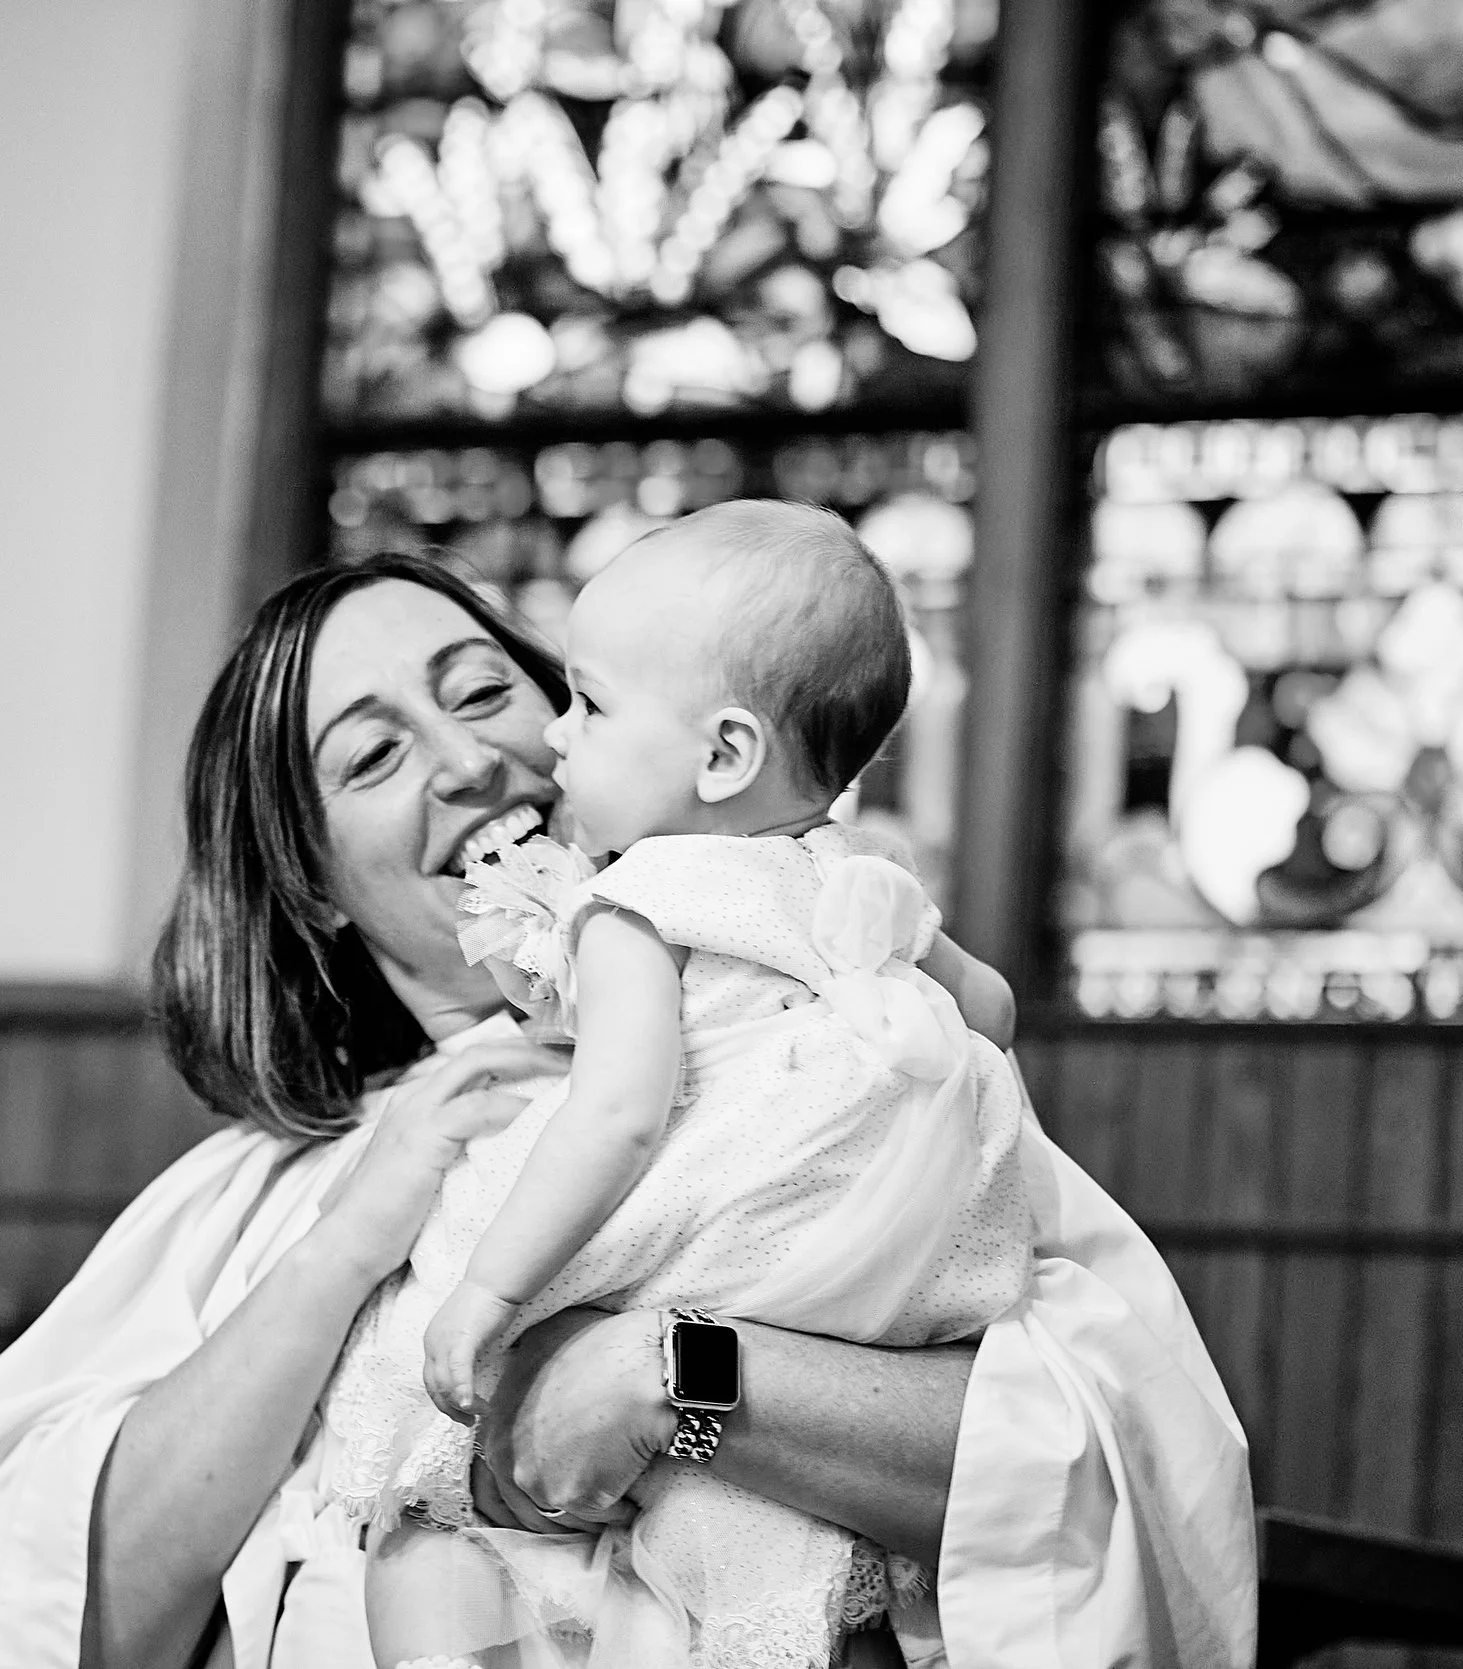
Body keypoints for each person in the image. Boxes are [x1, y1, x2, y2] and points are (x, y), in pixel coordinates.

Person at [0, 553, 1257, 1669]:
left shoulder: (855, 1060)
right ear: (312, 884)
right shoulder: (257, 1197)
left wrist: (677, 1380)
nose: (469, 763)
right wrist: (351, 1234)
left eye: (487, 692)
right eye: (373, 757)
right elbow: (65, 1622)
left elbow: (1097, 1471)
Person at [324, 505, 1035, 1668]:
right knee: (794, 1587)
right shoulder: (860, 877)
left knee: (421, 1507)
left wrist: (487, 1292)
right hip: (862, 1282)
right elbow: (991, 1015)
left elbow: (616, 1115)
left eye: (589, 705)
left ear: (722, 756)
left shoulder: (636, 903)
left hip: (693, 1245)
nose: (557, 733)